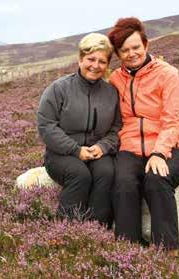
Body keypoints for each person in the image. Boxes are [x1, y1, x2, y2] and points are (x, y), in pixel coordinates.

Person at [107, 17, 179, 253]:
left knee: (156, 179)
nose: (132, 53)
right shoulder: (115, 79)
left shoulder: (168, 74)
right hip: (130, 148)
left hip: (170, 147)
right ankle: (128, 251)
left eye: (136, 47)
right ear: (118, 53)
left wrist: (159, 153)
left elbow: (173, 120)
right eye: (124, 50)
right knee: (123, 183)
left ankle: (166, 252)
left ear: (146, 44)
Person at [37, 33, 122, 226]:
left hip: (97, 151)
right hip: (61, 154)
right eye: (91, 59)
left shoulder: (111, 93)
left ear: (107, 65)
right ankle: (65, 230)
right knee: (80, 175)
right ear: (80, 59)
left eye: (102, 61)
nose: (95, 65)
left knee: (107, 173)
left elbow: (117, 127)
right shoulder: (58, 88)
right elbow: (46, 125)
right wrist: (76, 150)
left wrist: (103, 146)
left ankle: (97, 229)